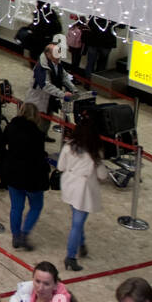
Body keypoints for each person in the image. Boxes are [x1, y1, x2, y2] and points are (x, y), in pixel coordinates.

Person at [58, 112, 107, 271]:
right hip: (83, 190)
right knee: (77, 223)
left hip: (69, 185)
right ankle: (71, 256)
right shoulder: (95, 151)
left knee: (77, 220)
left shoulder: (68, 146)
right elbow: (102, 175)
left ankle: (81, 243)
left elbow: (60, 167)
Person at [1, 103, 49, 250]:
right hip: (32, 177)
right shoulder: (38, 134)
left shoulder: (11, 127)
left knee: (16, 207)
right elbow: (40, 156)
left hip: (13, 174)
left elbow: (2, 144)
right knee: (36, 205)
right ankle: (25, 233)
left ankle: (16, 235)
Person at [25, 42, 75, 118]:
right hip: (37, 104)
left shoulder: (57, 64)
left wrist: (73, 89)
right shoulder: (41, 67)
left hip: (49, 102)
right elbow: (45, 85)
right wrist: (62, 94)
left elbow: (64, 77)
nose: (58, 55)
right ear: (48, 54)